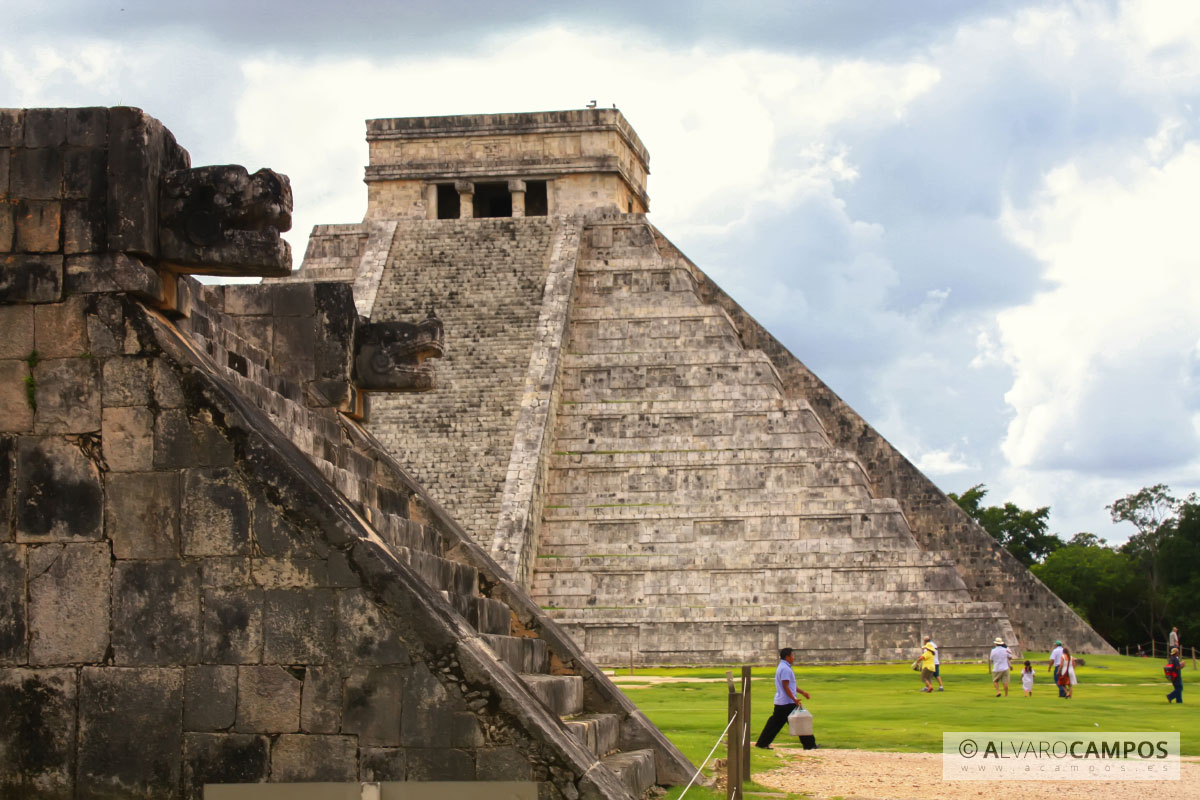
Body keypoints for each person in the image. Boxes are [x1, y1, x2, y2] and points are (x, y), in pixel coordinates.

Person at [755, 647, 811, 749]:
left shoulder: (783, 666)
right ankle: (810, 745)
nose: (794, 658)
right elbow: (785, 686)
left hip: (782, 702)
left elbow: (790, 686)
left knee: (774, 725)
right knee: (800, 722)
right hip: (787, 702)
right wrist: (794, 699)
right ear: (787, 657)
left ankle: (762, 744)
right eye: (792, 656)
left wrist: (802, 692)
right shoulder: (785, 669)